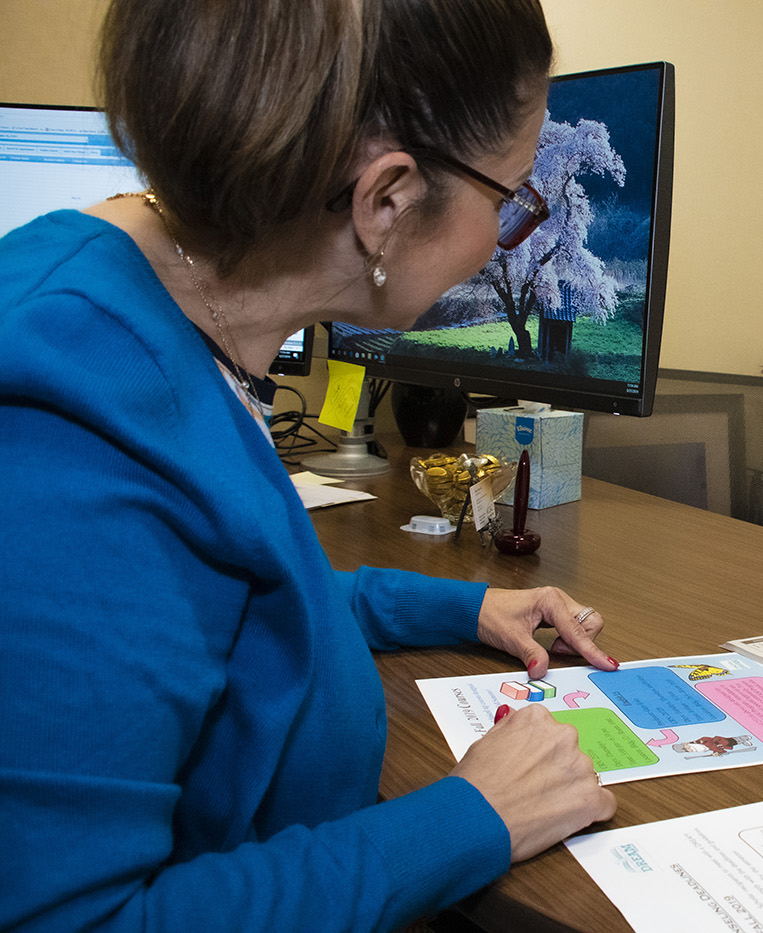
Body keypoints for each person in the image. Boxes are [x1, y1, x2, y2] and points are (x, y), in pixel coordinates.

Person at [0, 1, 620, 929]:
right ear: (387, 199)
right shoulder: (72, 418)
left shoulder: (130, 293)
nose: (503, 239)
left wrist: (463, 606)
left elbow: (229, 609)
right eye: (512, 198)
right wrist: (472, 816)